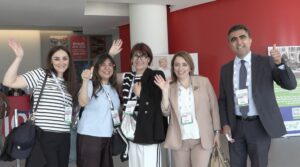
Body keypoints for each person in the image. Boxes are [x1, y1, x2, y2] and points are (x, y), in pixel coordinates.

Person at [218, 24, 297, 167]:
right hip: (235, 126)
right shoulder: (225, 69)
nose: (239, 42)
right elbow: (222, 100)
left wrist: (279, 63)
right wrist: (225, 123)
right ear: (230, 44)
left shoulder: (266, 62)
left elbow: (290, 85)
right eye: (233, 39)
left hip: (259, 126)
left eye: (243, 37)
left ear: (250, 40)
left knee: (259, 164)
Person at [3, 39, 77, 167]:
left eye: (65, 58)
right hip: (44, 135)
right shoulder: (41, 74)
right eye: (57, 59)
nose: (61, 62)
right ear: (51, 61)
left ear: (69, 61)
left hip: (64, 136)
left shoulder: (68, 83)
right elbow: (9, 82)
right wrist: (18, 57)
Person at [154, 51, 221, 167]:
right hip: (180, 140)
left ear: (190, 67)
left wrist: (217, 132)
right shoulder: (170, 86)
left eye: (184, 64)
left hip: (201, 139)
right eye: (177, 65)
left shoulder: (203, 82)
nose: (180, 68)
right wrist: (165, 92)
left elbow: (214, 107)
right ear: (173, 68)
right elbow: (166, 112)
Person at [111, 41, 168, 167]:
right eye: (136, 56)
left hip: (148, 130)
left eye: (143, 56)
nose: (139, 59)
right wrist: (110, 55)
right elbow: (104, 74)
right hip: (131, 129)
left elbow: (157, 104)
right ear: (131, 59)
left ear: (149, 59)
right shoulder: (127, 77)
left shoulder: (156, 75)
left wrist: (141, 95)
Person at [76, 53, 120, 167]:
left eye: (110, 65)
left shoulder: (114, 88)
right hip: (90, 137)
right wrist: (85, 80)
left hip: (107, 137)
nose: (107, 68)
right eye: (103, 65)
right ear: (96, 68)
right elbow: (82, 102)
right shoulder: (91, 84)